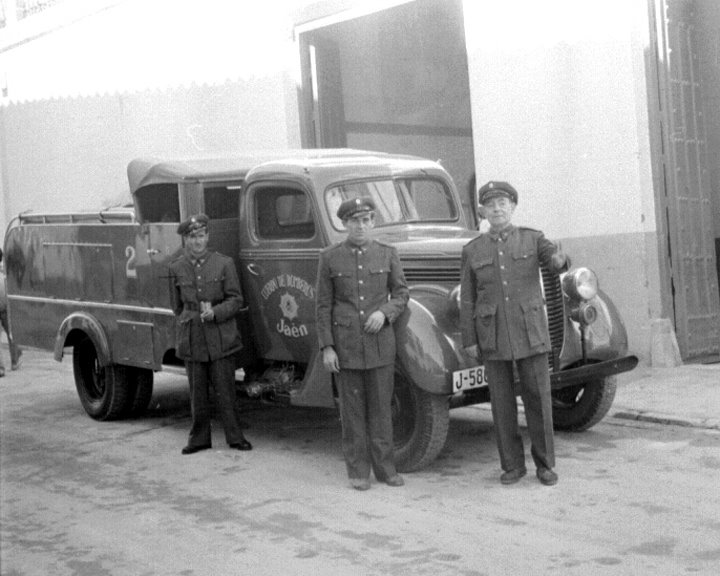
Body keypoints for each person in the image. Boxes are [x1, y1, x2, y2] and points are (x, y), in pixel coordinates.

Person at [460, 181, 569, 486]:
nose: (497, 209)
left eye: (503, 204)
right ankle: (512, 466)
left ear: (513, 207)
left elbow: (553, 259)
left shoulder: (532, 239)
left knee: (539, 401)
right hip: (492, 336)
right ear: (482, 211)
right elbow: (467, 297)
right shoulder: (473, 250)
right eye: (491, 205)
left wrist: (560, 261)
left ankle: (545, 465)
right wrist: (469, 339)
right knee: (502, 404)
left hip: (530, 333)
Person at [316, 197, 409, 490]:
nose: (361, 226)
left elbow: (402, 294)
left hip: (380, 345)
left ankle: (386, 470)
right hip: (346, 348)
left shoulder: (387, 254)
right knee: (353, 414)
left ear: (373, 222)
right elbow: (322, 306)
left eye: (367, 220)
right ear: (345, 224)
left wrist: (385, 312)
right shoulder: (330, 257)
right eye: (355, 221)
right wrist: (327, 347)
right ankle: (358, 473)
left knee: (382, 411)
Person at [169, 214, 252, 455]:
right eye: (192, 237)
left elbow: (236, 299)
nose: (197, 241)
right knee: (197, 393)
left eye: (201, 236)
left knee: (226, 391)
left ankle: (235, 437)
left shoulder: (223, 263)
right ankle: (199, 439)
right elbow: (177, 306)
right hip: (193, 337)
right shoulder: (176, 267)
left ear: (208, 236)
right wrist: (193, 317)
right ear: (185, 239)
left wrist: (216, 313)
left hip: (220, 335)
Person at [0, 248, 22, 377]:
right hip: (6, 306)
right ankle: (15, 361)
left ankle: (1, 368)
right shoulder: (5, 272)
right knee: (11, 334)